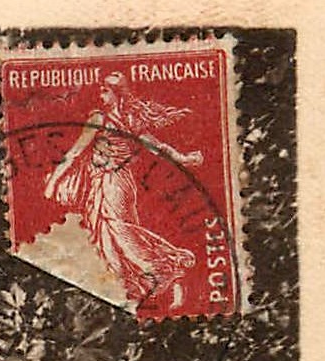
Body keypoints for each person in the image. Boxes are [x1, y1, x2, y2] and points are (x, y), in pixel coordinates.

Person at [43, 71, 204, 310]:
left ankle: (165, 271)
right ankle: (154, 286)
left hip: (112, 184)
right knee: (112, 239)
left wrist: (53, 181)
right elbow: (158, 147)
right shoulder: (130, 121)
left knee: (118, 234)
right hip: (115, 183)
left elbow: (76, 152)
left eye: (105, 90)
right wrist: (184, 158)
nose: (100, 94)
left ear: (116, 94)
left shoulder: (101, 119)